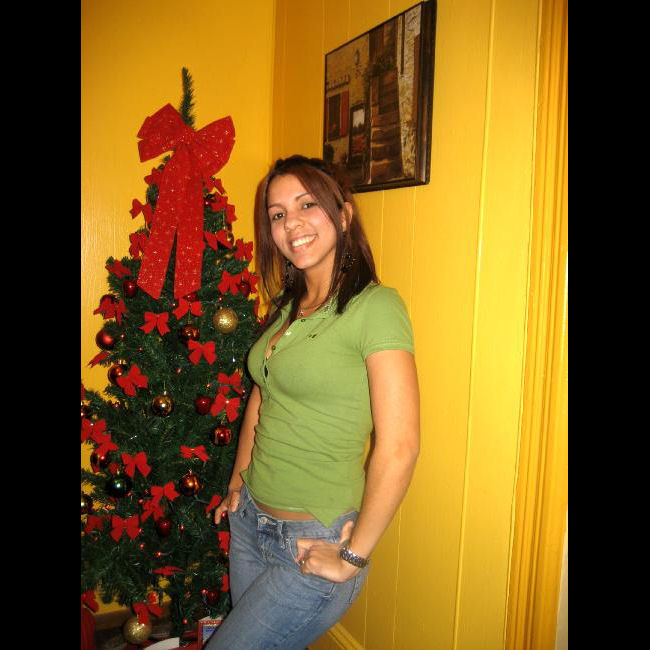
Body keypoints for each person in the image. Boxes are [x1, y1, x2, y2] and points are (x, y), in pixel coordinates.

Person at [205, 155, 419, 649]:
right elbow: (263, 392)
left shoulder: (376, 307)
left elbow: (400, 445)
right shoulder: (289, 305)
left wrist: (353, 557)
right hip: (251, 520)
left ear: (343, 214)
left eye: (307, 205)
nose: (291, 224)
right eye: (278, 214)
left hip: (311, 540)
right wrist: (238, 479)